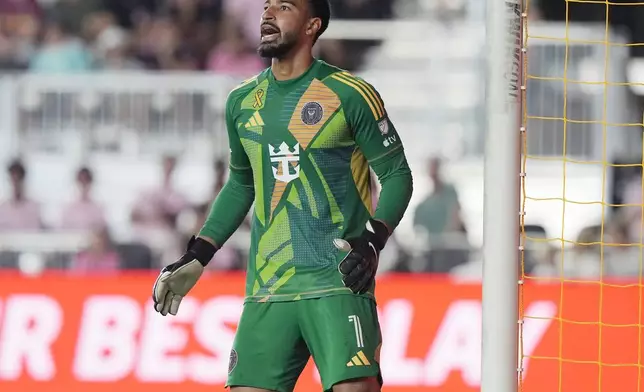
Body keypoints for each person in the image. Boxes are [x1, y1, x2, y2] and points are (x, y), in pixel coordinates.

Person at [152, 1, 413, 392]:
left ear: (312, 25)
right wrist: (198, 254)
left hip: (336, 282)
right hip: (267, 290)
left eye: (284, 6)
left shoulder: (350, 94)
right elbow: (241, 184)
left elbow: (397, 175)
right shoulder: (241, 102)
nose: (267, 14)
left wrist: (374, 241)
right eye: (267, 5)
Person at [0, 159, 42, 231]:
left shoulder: (33, 208)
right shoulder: (3, 209)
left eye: (18, 178)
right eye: (13, 178)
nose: (16, 183)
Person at [60, 166, 106, 231]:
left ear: (91, 183)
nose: (83, 186)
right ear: (76, 182)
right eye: (81, 181)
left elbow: (102, 233)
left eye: (86, 181)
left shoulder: (98, 210)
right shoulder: (68, 210)